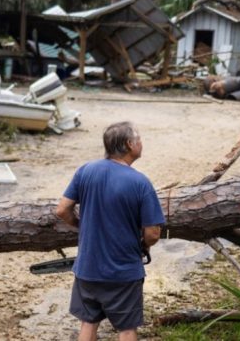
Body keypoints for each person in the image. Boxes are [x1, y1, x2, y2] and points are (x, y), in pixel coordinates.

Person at [55, 122, 165, 341]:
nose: (142, 143)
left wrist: (81, 225)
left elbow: (62, 210)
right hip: (123, 272)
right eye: (139, 139)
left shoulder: (86, 171)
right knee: (126, 328)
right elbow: (153, 234)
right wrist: (143, 245)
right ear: (129, 144)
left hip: (87, 268)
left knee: (88, 323)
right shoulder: (140, 183)